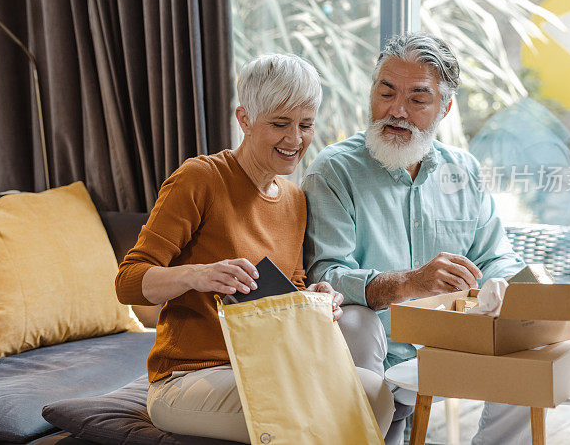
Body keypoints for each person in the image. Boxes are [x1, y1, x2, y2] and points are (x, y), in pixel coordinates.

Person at [116, 53, 394, 444]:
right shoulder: (200, 178)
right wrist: (197, 274)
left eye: (306, 125)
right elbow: (128, 282)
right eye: (280, 124)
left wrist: (314, 297)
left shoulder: (295, 200)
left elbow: (286, 292)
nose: (295, 139)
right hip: (188, 379)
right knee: (339, 403)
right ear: (244, 119)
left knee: (373, 391)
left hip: (267, 367)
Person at [303, 32, 531, 444]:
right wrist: (410, 283)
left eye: (417, 99)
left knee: (531, 358)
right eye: (386, 92)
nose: (396, 110)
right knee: (355, 322)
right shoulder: (334, 170)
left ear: (444, 107)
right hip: (374, 351)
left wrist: (519, 285)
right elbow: (327, 275)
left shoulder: (463, 170)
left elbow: (496, 257)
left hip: (454, 345)